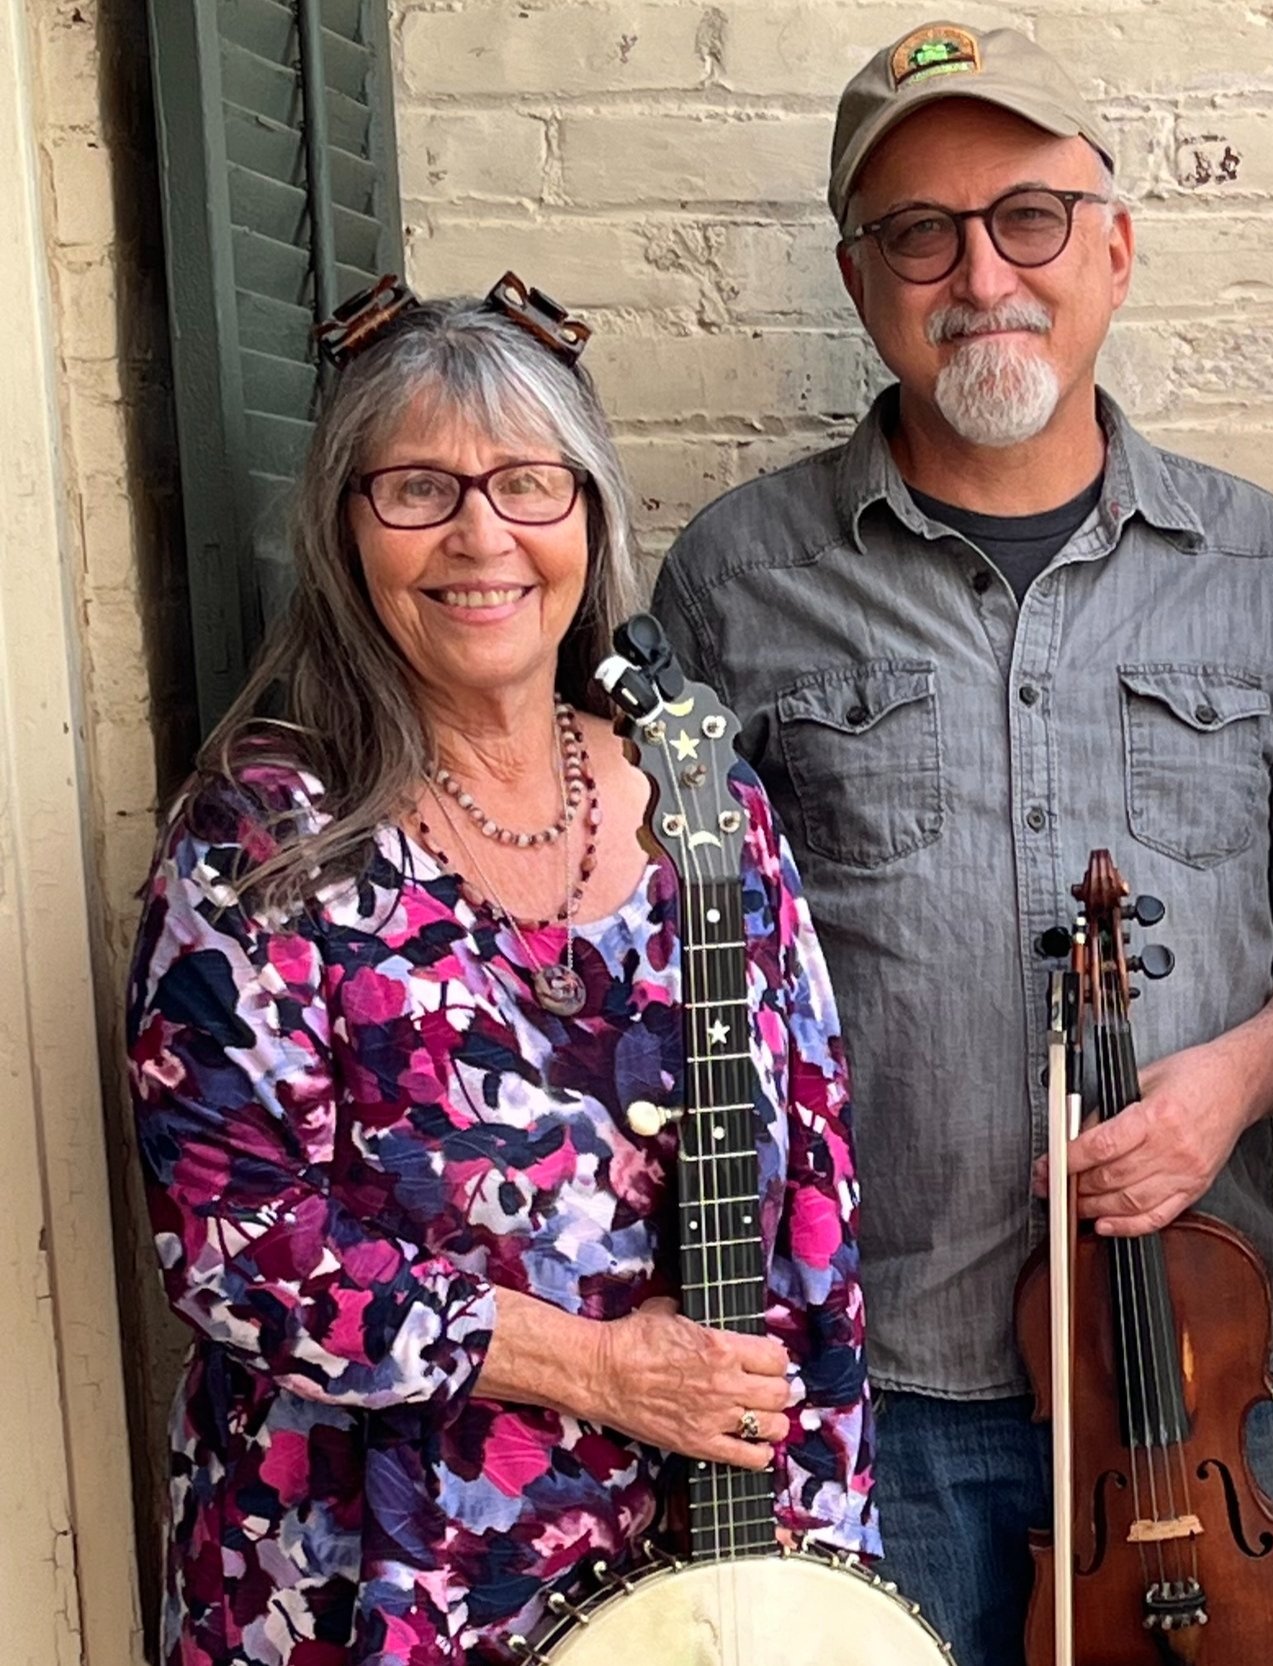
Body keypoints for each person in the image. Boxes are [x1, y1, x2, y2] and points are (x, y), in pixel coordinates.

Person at [649, 20, 1273, 1665]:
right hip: (882, 1393)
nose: (982, 270)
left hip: (1192, 1387)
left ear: (1114, 249)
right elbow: (667, 977)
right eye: (923, 230)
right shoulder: (737, 578)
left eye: (1030, 218)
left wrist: (1226, 1085)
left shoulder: (1263, 568)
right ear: (862, 280)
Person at [126, 280, 873, 1666]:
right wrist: (592, 1367)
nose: (483, 535)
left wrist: (827, 1566)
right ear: (347, 531)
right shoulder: (262, 848)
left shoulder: (706, 798)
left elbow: (814, 1219)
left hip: (693, 1582)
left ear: (589, 513)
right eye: (418, 488)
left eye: (530, 484)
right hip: (373, 1589)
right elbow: (242, 1248)